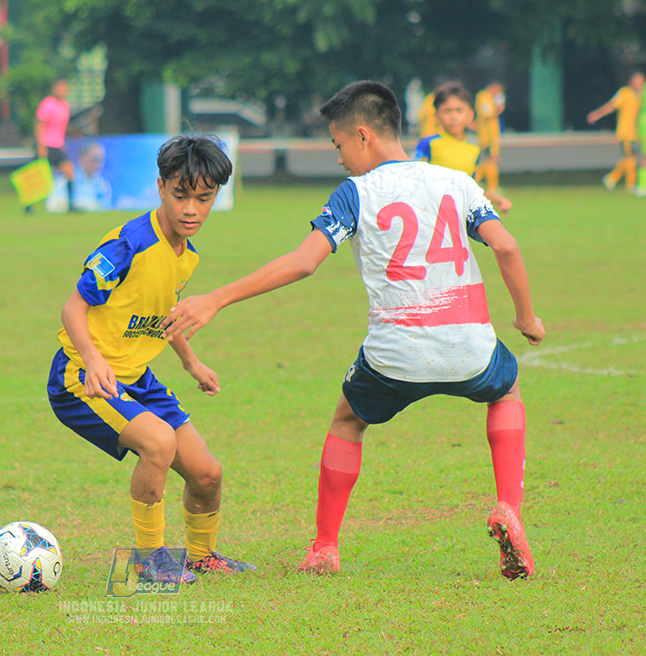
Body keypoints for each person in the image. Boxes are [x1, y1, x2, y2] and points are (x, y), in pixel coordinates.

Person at [162, 81, 545, 581]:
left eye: (339, 145)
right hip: (469, 346)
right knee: (508, 388)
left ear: (362, 135)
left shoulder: (356, 193)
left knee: (347, 422)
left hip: (395, 356)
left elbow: (303, 263)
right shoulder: (457, 182)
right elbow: (508, 247)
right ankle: (508, 507)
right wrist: (525, 317)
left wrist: (216, 297)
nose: (339, 159)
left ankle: (325, 547)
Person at [47, 135, 255, 584]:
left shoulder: (187, 255)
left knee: (207, 473)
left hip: (137, 377)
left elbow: (160, 315)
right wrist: (93, 359)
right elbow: (72, 308)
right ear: (161, 187)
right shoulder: (130, 243)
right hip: (81, 376)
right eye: (181, 196)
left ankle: (201, 555)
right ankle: (148, 561)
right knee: (159, 442)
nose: (191, 210)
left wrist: (191, 362)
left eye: (204, 198)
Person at [415, 81, 512, 213]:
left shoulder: (473, 149)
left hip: (459, 218)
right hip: (431, 215)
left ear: (470, 115)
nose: (453, 117)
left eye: (459, 111)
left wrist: (497, 200)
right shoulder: (428, 144)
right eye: (447, 111)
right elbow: (413, 179)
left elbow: (471, 188)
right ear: (437, 116)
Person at [587, 71, 644, 192]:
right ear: (631, 82)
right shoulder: (625, 93)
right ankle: (629, 184)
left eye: (641, 81)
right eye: (637, 81)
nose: (639, 84)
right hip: (626, 132)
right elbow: (611, 106)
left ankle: (612, 178)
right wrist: (597, 114)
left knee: (631, 158)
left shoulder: (642, 96)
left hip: (638, 132)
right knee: (631, 158)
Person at [34, 78, 76, 212]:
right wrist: (40, 145)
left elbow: (60, 127)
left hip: (58, 145)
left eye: (64, 89)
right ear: (54, 89)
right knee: (40, 177)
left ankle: (71, 205)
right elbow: (40, 124)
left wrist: (62, 143)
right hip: (46, 145)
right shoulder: (48, 104)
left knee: (69, 171)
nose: (62, 91)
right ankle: (28, 206)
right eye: (60, 88)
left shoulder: (65, 105)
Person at [46, 142, 112, 212]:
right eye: (94, 160)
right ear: (82, 158)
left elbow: (105, 206)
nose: (98, 165)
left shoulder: (102, 184)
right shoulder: (67, 178)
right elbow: (53, 204)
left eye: (101, 161)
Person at [474, 81, 506, 194]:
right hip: (488, 136)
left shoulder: (487, 97)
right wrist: (498, 107)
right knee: (492, 160)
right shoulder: (484, 97)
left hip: (492, 135)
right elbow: (487, 114)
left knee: (490, 160)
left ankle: (478, 181)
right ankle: (489, 186)